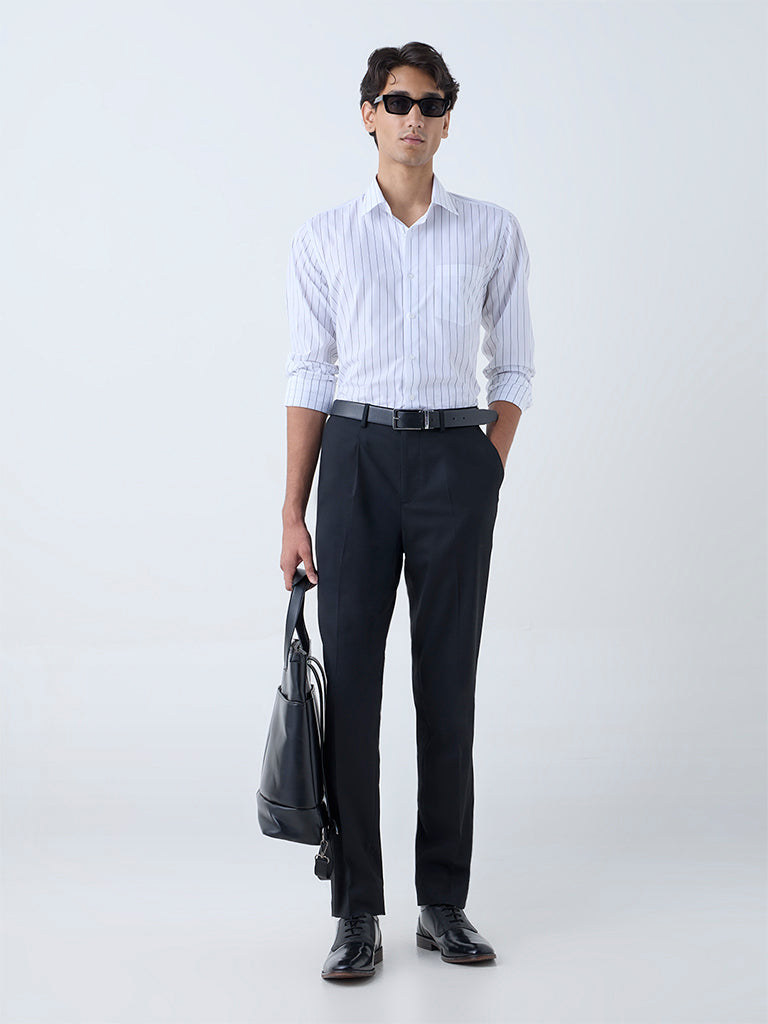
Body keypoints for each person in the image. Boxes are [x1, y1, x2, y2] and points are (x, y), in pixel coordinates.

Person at [280, 41, 535, 981]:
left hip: (453, 463)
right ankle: (357, 910)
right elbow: (309, 374)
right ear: (368, 115)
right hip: (354, 460)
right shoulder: (324, 238)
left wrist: (483, 468)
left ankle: (443, 902)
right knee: (351, 690)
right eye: (397, 102)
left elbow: (516, 367)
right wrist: (293, 509)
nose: (413, 118)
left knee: (447, 686)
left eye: (430, 104)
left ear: (447, 119)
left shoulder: (491, 231)